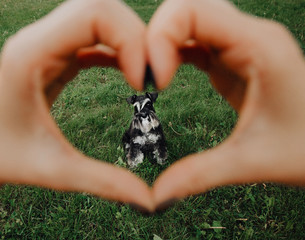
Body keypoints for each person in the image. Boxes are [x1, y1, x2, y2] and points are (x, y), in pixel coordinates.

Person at [0, 0, 304, 213]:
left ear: (152, 104)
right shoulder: (136, 114)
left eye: (147, 106)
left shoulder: (151, 114)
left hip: (152, 135)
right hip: (135, 138)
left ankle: (158, 157)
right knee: (134, 141)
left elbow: (152, 123)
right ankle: (135, 158)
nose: (144, 112)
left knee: (157, 142)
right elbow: (138, 120)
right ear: (134, 105)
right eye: (139, 106)